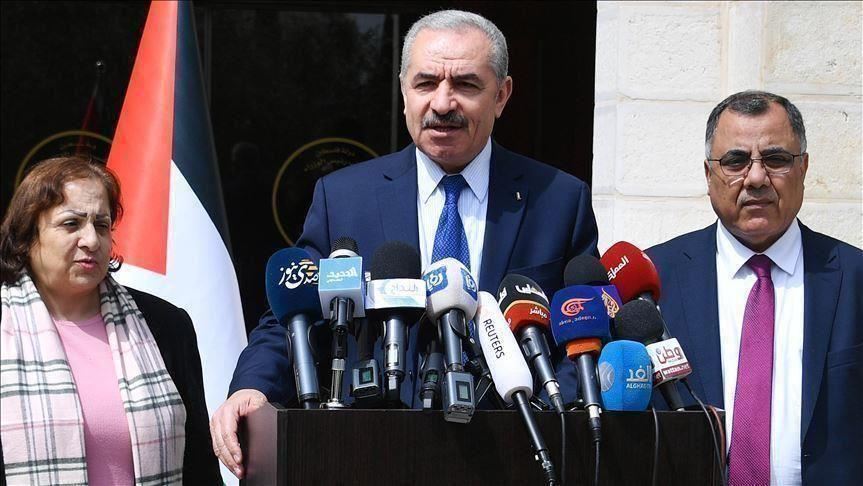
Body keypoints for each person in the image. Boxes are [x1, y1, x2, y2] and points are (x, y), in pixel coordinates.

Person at [211, 9, 600, 478]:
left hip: (513, 456)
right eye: (426, 83)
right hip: (372, 454)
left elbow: (585, 335)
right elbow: (294, 312)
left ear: (502, 95)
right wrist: (253, 387)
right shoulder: (344, 198)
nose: (443, 103)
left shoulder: (559, 201)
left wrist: (555, 415)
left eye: (466, 85)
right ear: (403, 92)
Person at [646, 91, 861, 485]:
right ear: (709, 175)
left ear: (803, 168)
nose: (757, 178)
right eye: (736, 161)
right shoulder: (652, 281)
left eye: (776, 159)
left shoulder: (855, 278)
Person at [0, 156, 221, 485]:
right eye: (71, 224)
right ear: (28, 235)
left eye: (101, 225)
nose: (91, 240)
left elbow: (199, 465)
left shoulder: (165, 325)